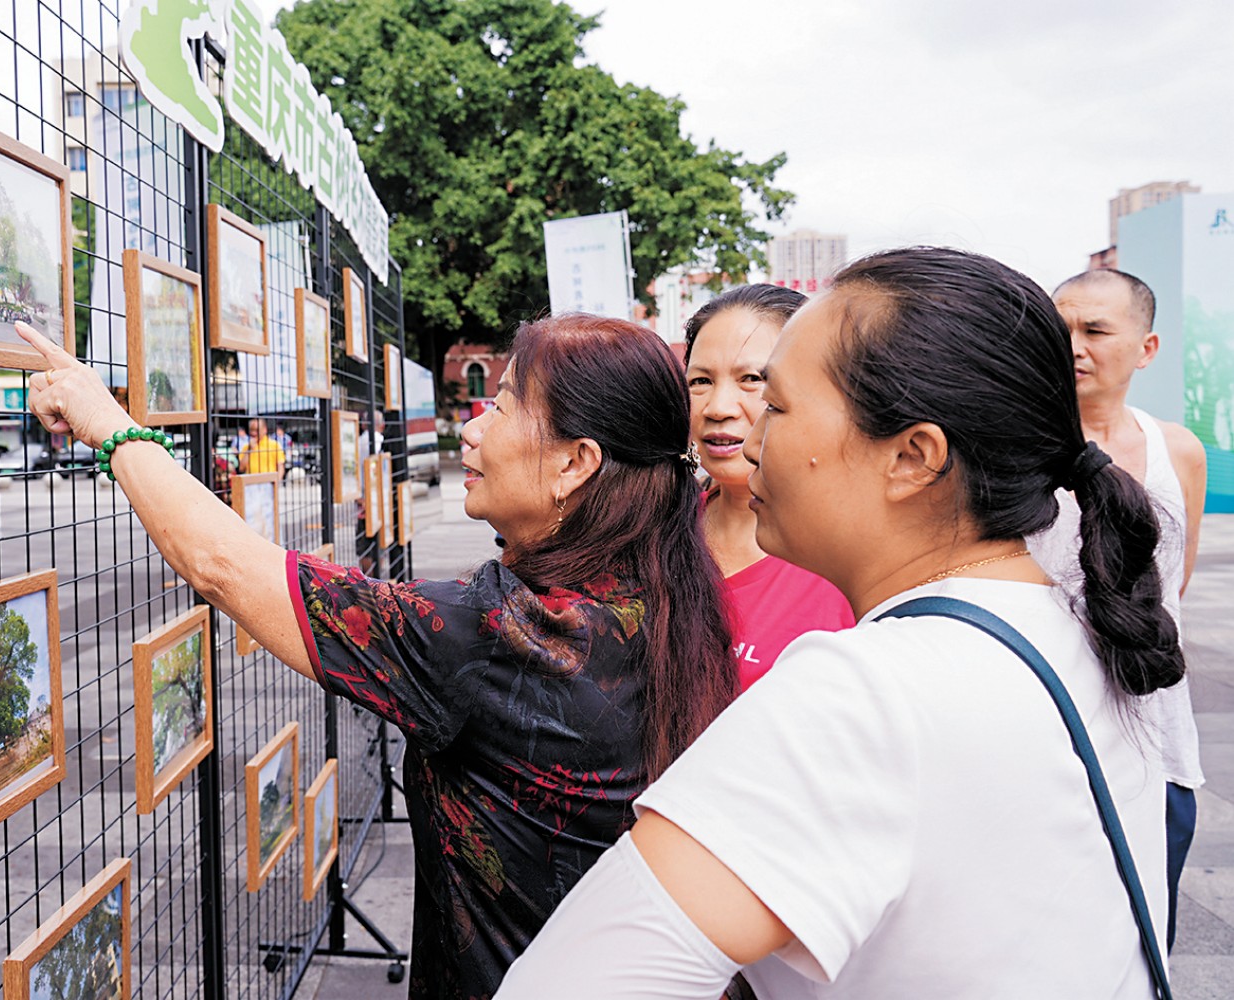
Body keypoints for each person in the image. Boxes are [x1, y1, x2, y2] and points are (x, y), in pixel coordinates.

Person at [495, 247, 1182, 999]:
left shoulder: (861, 696)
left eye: (777, 405)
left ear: (913, 457)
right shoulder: (1086, 627)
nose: (749, 439)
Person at [14, 314, 738, 999]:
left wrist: (107, 424)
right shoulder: (663, 588)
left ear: (576, 464)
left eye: (505, 407)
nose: (472, 427)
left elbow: (223, 565)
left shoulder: (508, 637)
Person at [1028, 267, 1207, 950]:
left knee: (1147, 944)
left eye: (1096, 331)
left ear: (1147, 348)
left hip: (1159, 747)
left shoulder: (1179, 451)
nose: (1074, 347)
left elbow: (1174, 587)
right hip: (1048, 749)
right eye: (1061, 329)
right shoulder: (1015, 456)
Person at [685, 286, 853, 688]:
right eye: (701, 380)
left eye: (752, 379)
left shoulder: (849, 565)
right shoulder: (652, 529)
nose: (719, 407)